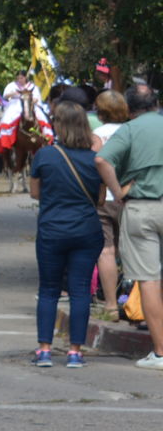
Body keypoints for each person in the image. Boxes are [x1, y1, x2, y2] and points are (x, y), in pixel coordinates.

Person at [29, 101, 105, 368]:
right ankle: (75, 351)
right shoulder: (95, 159)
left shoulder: (44, 155)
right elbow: (100, 199)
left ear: (58, 125)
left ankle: (44, 350)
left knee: (48, 289)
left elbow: (35, 193)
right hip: (86, 229)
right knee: (80, 290)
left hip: (52, 229)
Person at [95, 83, 163, 368]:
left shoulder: (130, 130)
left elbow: (101, 159)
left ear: (130, 108)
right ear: (156, 103)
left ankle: (160, 353)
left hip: (141, 207)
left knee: (149, 280)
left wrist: (117, 191)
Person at [94, 90, 133, 307]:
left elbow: (94, 165)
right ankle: (131, 300)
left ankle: (110, 304)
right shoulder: (132, 131)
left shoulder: (97, 135)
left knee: (106, 250)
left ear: (101, 111)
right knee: (130, 250)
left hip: (105, 199)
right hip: (129, 197)